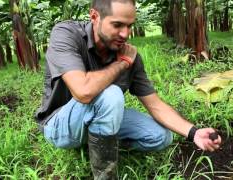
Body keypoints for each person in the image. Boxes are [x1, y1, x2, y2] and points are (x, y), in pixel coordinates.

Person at [35, 0, 222, 179]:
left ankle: (98, 144)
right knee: (111, 94)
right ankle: (105, 176)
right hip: (60, 125)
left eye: (129, 26)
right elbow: (84, 91)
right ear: (94, 16)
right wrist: (121, 64)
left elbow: (154, 104)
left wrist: (193, 132)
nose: (125, 34)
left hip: (98, 117)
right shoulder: (67, 34)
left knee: (161, 136)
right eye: (117, 25)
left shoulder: (130, 55)